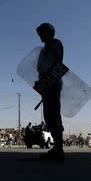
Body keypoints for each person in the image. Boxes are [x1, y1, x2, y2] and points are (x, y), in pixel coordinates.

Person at [35, 23, 65, 161]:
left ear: (48, 33)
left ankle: (59, 148)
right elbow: (40, 69)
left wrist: (48, 80)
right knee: (48, 115)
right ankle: (56, 148)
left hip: (53, 82)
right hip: (45, 85)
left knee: (54, 113)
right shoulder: (42, 51)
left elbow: (57, 63)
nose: (40, 36)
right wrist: (40, 83)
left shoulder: (56, 44)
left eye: (41, 33)